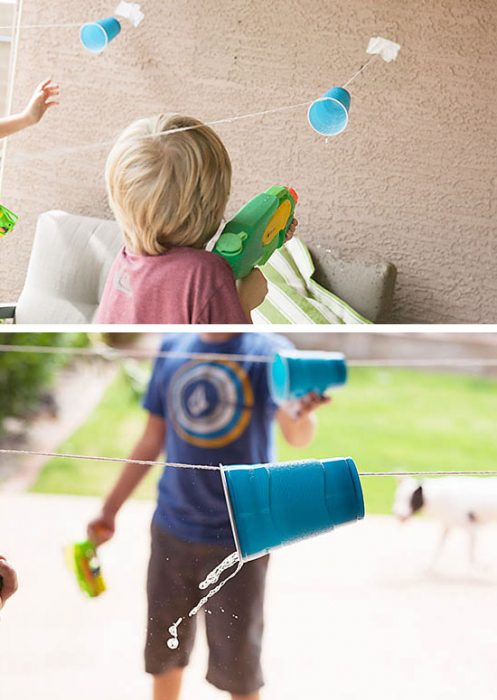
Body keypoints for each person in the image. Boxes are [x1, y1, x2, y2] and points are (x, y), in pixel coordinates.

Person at [88, 333, 328, 700]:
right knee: (164, 655)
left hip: (242, 541)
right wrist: (109, 510)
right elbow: (153, 437)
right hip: (172, 529)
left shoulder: (272, 354)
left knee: (240, 669)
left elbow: (298, 436)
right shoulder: (172, 347)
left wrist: (303, 413)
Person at [96, 115, 297, 324]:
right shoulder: (206, 274)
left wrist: (265, 242)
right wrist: (244, 301)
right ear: (216, 201)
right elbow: (237, 352)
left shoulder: (124, 263)